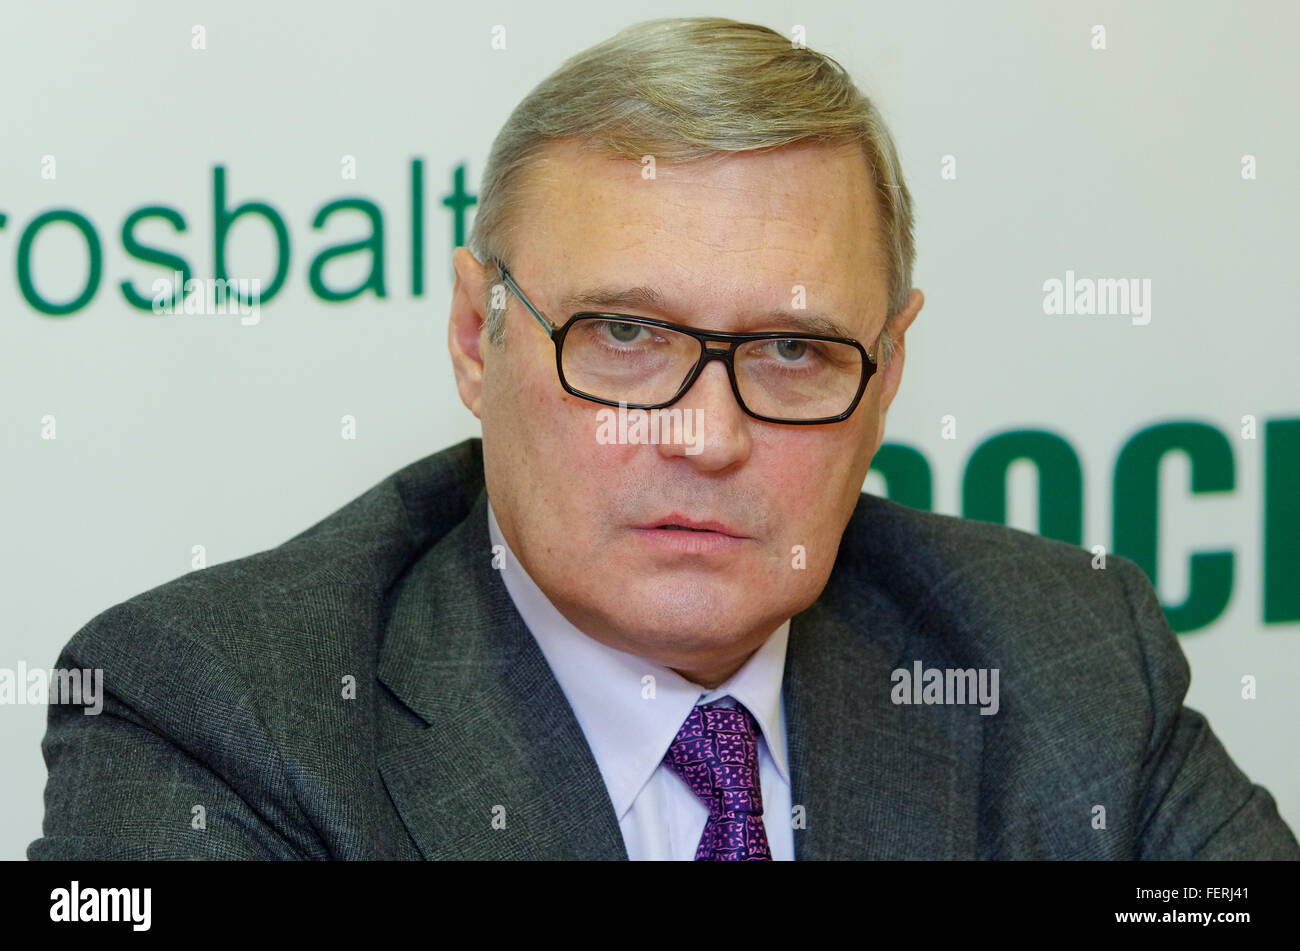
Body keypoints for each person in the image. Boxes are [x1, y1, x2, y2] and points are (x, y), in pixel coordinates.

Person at [30, 16, 1298, 861]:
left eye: (792, 352)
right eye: (627, 336)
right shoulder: (219, 714)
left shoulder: (1066, 657)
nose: (705, 436)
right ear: (479, 337)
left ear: (890, 370)